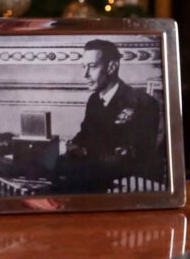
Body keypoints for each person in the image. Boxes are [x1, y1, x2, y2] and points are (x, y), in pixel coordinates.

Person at [54, 39, 164, 192]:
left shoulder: (142, 103)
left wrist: (83, 151)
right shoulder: (94, 100)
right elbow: (85, 134)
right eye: (84, 67)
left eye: (92, 67)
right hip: (94, 173)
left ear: (112, 67)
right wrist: (67, 146)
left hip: (125, 183)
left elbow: (134, 156)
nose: (85, 74)